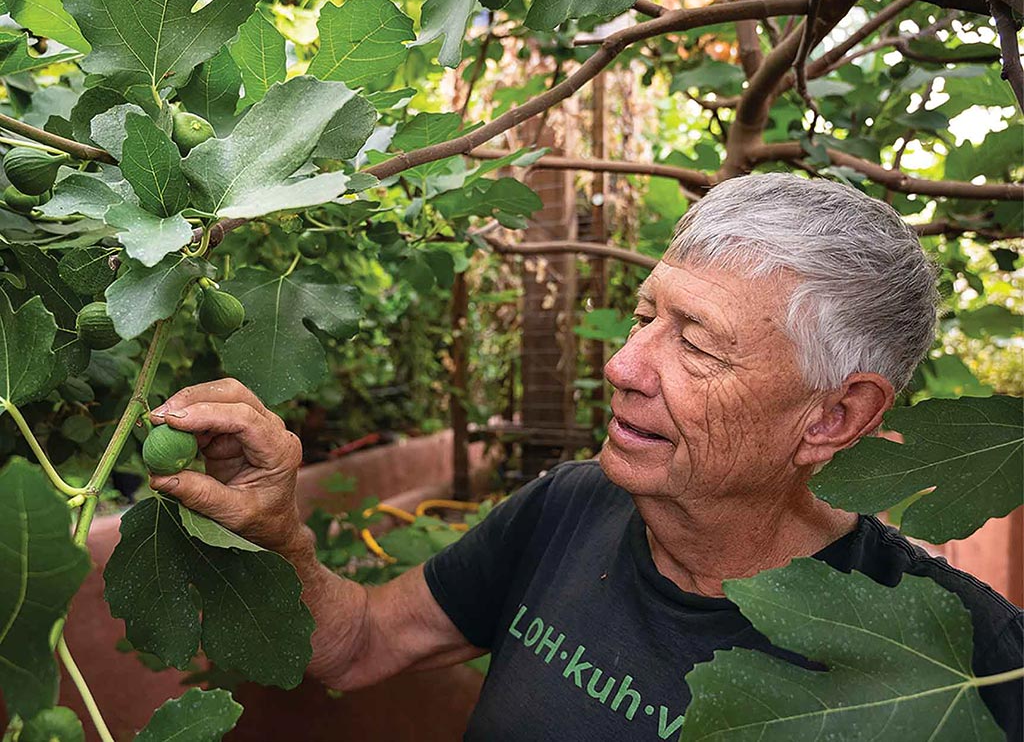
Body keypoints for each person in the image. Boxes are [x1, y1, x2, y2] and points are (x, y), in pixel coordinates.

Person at [148, 173, 1022, 740]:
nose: (622, 365)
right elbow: (360, 645)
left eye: (698, 346)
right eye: (647, 315)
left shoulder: (975, 659)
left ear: (835, 416)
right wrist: (278, 536)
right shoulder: (571, 506)